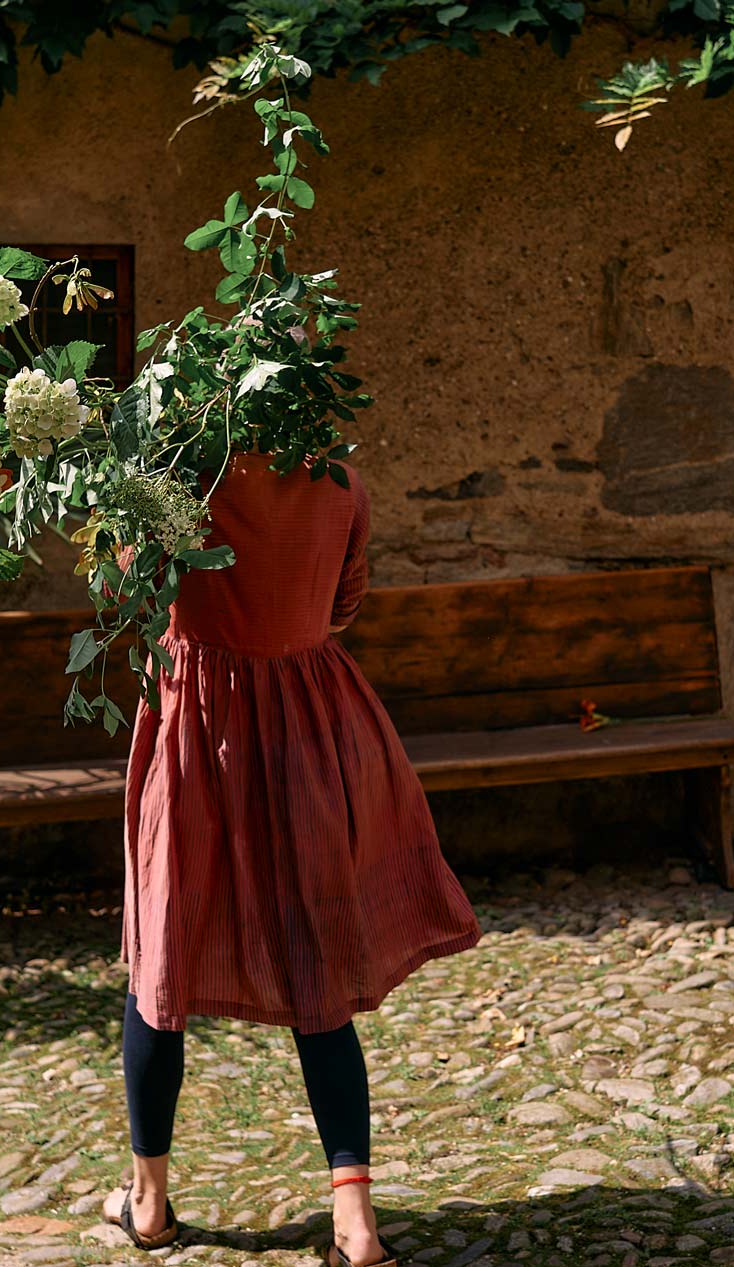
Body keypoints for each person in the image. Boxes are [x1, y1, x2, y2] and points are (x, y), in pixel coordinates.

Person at [101, 448, 483, 1266]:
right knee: (318, 975)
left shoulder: (175, 475)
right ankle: (356, 1224)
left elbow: (131, 591)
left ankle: (150, 1202)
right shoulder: (339, 478)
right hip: (311, 727)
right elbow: (343, 607)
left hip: (198, 736)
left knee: (160, 965)